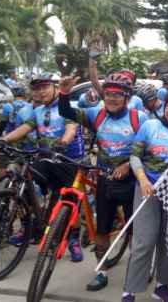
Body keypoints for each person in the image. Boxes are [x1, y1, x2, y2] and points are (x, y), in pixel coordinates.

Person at [58, 75, 147, 291]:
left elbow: (150, 149)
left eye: (117, 94)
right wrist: (63, 93)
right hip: (105, 180)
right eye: (108, 94)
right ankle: (101, 271)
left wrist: (127, 164)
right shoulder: (96, 115)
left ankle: (138, 271)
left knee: (135, 231)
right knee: (102, 229)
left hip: (132, 183)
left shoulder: (140, 119)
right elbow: (67, 112)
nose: (112, 98)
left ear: (126, 97)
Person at [0, 73, 85, 261]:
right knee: (23, 182)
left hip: (69, 161)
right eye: (37, 89)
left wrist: (63, 142)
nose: (40, 92)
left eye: (44, 87)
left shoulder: (69, 108)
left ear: (56, 87)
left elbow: (71, 130)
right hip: (46, 160)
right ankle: (28, 226)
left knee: (69, 203)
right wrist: (4, 139)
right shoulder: (37, 111)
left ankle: (73, 241)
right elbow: (25, 129)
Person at [123, 91, 168, 302]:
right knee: (144, 242)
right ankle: (129, 290)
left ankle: (162, 286)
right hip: (147, 190)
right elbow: (135, 155)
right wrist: (143, 179)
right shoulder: (150, 126)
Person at [0, 86, 36, 177]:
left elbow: (3, 123)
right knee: (24, 163)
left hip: (10, 138)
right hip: (26, 139)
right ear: (25, 95)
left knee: (3, 162)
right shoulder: (29, 106)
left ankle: (0, 185)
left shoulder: (8, 106)